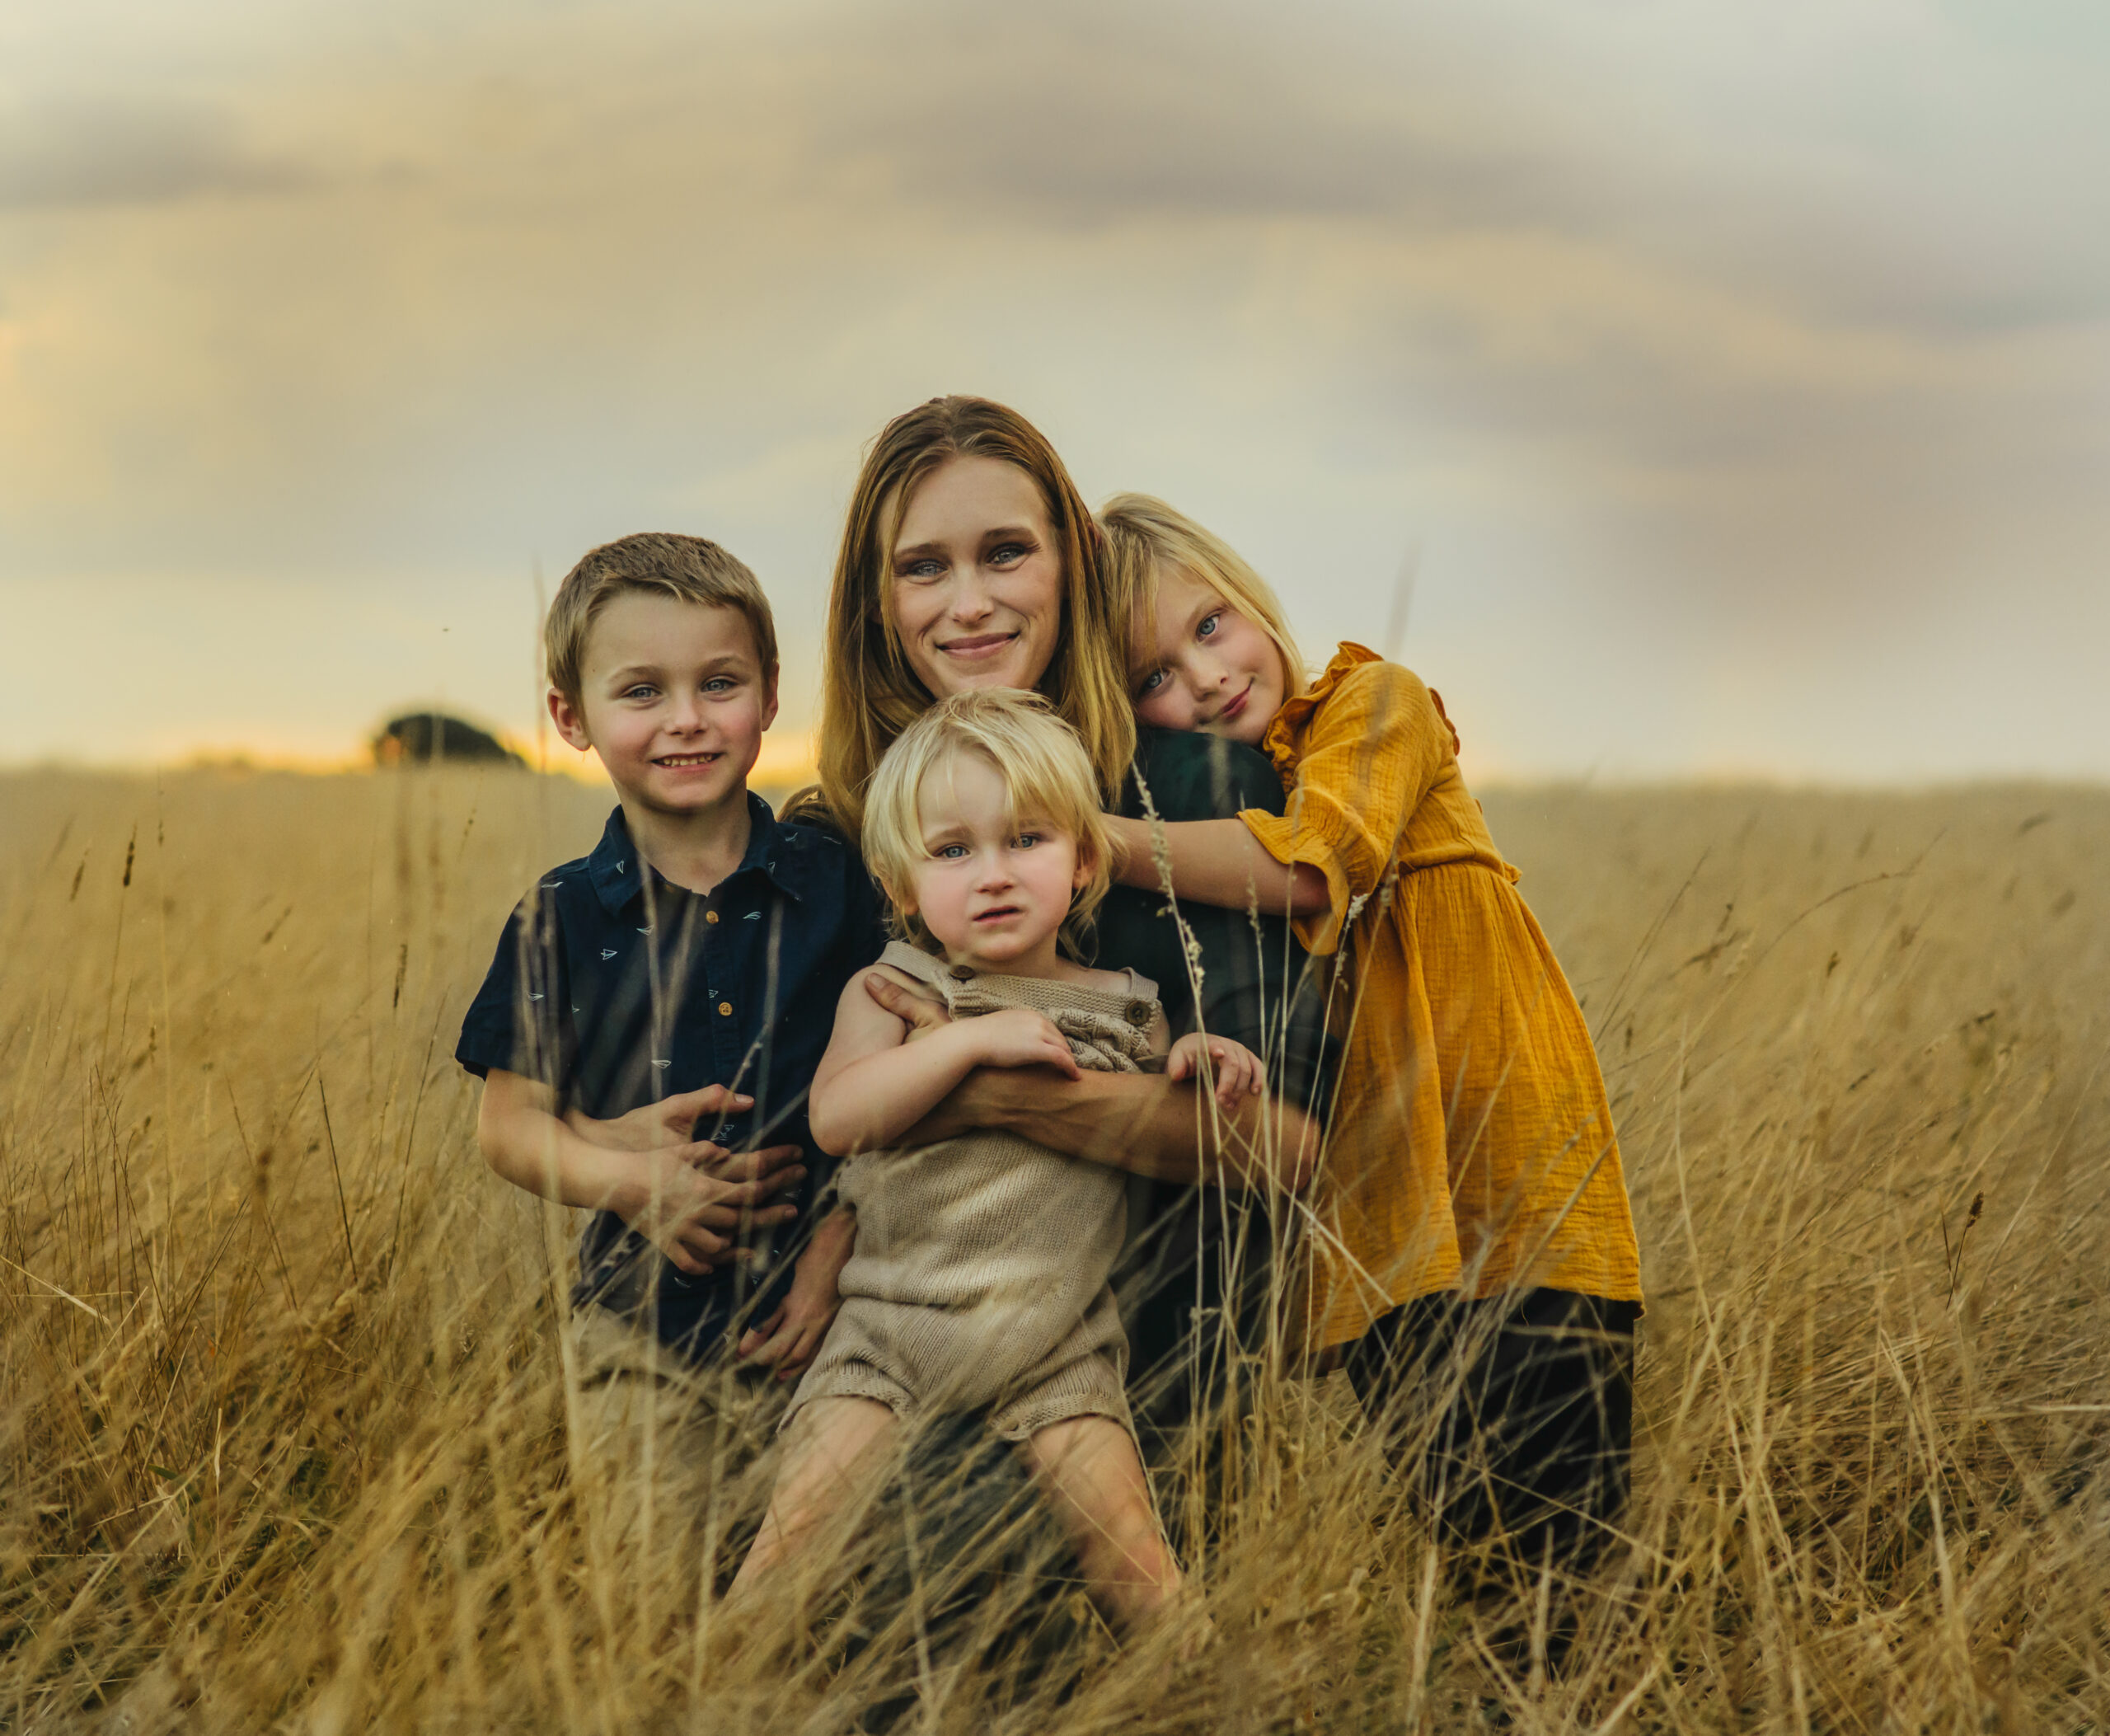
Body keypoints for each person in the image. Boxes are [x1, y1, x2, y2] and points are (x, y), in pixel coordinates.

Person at [1100, 493, 1644, 1589]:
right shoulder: (1232, 788)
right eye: (1156, 675)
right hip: (1389, 1209)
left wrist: (1093, 838)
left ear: (1252, 598)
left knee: (1564, 1517)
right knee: (1472, 1531)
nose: (1203, 678)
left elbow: (1316, 863)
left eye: (1211, 626)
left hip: (1511, 1157)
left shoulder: (1371, 702)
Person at [804, 396, 1334, 1469]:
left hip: (1137, 1385)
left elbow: (1284, 1147)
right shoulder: (831, 836)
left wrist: (981, 1082)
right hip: (879, 1356)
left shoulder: (1185, 791)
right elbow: (806, 1132)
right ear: (874, 601)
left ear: (1072, 562)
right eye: (922, 568)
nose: (970, 604)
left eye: (1006, 553)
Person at [730, 691, 1260, 1633]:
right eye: (952, 851)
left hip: (1055, 1344)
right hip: (887, 1331)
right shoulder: (894, 987)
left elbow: (1173, 1122)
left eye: (1027, 840)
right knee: (788, 1550)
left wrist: (1202, 1059)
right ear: (901, 885)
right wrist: (965, 1045)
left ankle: (1206, 1705)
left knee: (1139, 1569)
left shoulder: (1130, 1005)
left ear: (1084, 860)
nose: (994, 874)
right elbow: (836, 1118)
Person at [456, 533, 887, 1584]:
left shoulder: (836, 881)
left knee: (821, 1598)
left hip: (835, 1325)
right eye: (641, 691)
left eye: (719, 683)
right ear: (571, 716)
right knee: (655, 1599)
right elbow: (508, 1126)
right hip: (639, 1335)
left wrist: (840, 1248)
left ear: (770, 694)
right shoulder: (561, 917)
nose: (687, 718)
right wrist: (630, 1180)